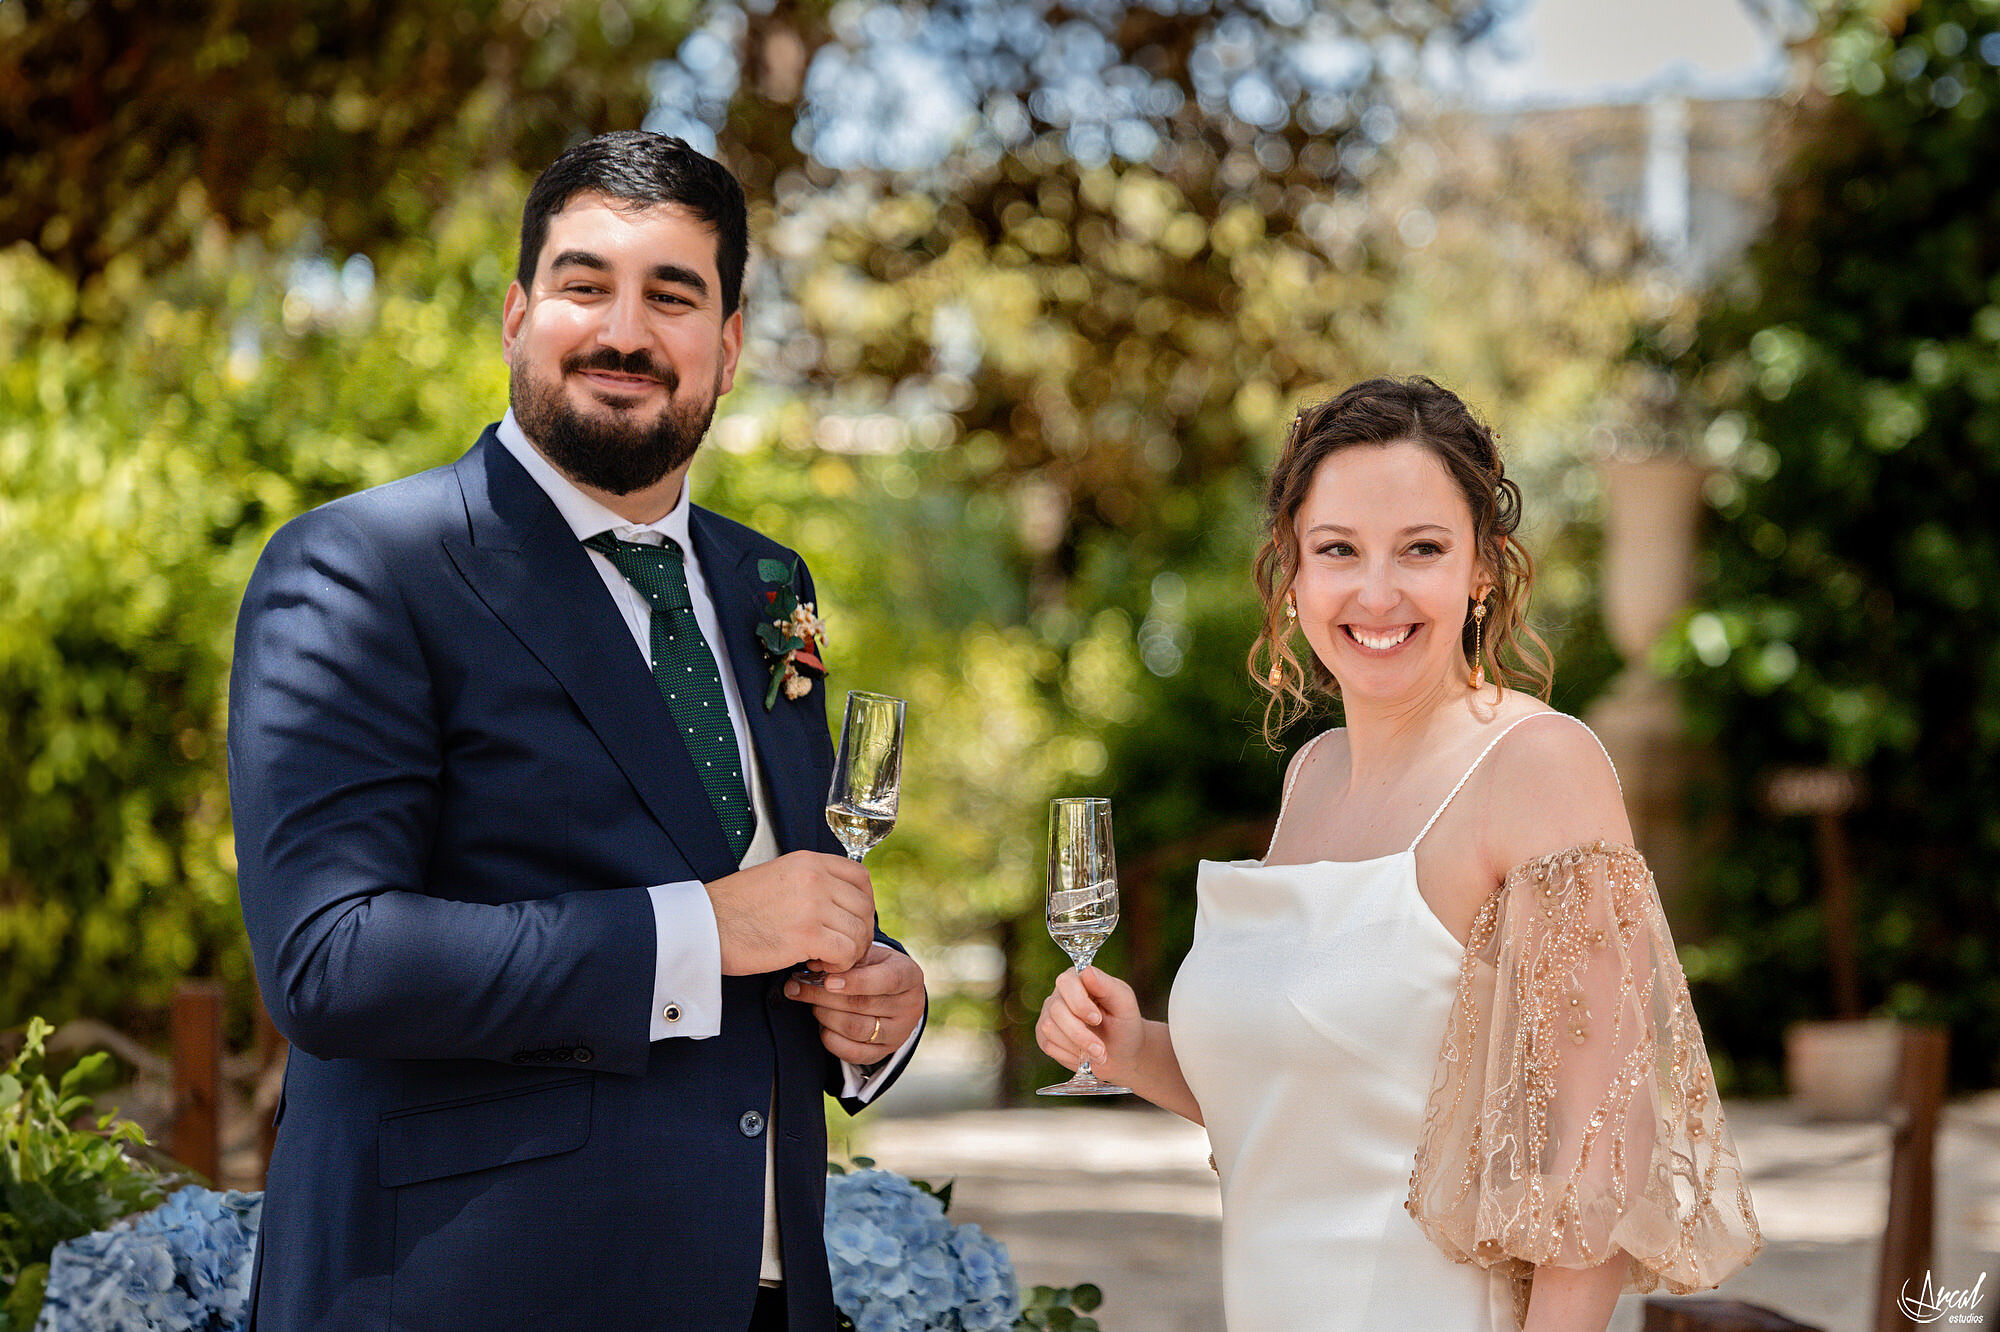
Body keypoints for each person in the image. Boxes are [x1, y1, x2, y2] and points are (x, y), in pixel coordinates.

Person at [229, 131, 927, 1332]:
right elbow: (331, 962)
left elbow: (770, 890)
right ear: (514, 314)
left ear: (730, 344)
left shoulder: (769, 582)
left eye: (672, 295)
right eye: (582, 284)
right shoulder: (359, 567)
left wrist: (877, 1000)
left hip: (761, 1295)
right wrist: (706, 930)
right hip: (469, 1295)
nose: (623, 332)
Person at [1036, 377, 1761, 1331]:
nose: (1377, 593)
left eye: (1421, 549)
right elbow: (1308, 1114)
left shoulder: (1539, 766)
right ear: (1291, 575)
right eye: (1339, 550)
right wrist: (1134, 1051)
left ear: (1484, 569)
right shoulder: (1313, 776)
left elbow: (1601, 1156)